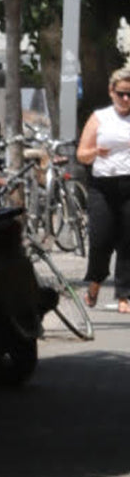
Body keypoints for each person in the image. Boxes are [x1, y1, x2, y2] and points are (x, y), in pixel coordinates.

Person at [76, 66, 130, 313]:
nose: (126, 99)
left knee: (128, 242)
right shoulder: (100, 118)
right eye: (121, 93)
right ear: (111, 92)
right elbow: (82, 155)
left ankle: (124, 295)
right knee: (100, 240)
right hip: (103, 186)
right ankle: (96, 282)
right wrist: (96, 152)